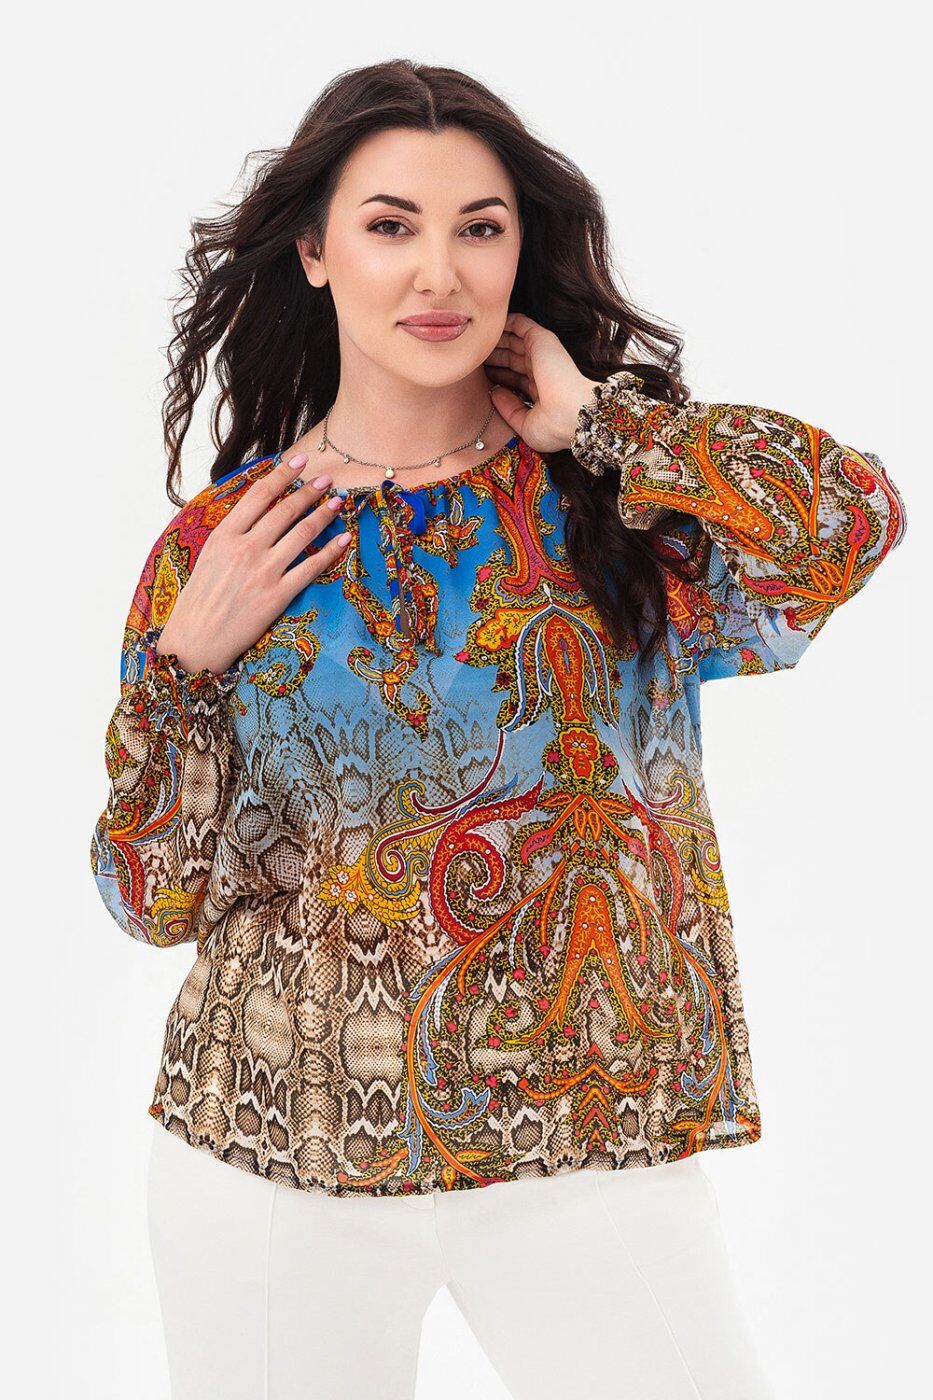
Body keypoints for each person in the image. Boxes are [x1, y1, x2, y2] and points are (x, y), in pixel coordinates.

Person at [89, 59, 906, 1400]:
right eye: (390, 225)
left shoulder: (611, 504)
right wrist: (184, 668)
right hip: (274, 1157)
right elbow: (147, 896)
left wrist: (605, 422)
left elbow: (849, 521)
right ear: (314, 253)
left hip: (585, 1149)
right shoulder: (225, 546)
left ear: (522, 249)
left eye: (479, 227)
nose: (440, 273)